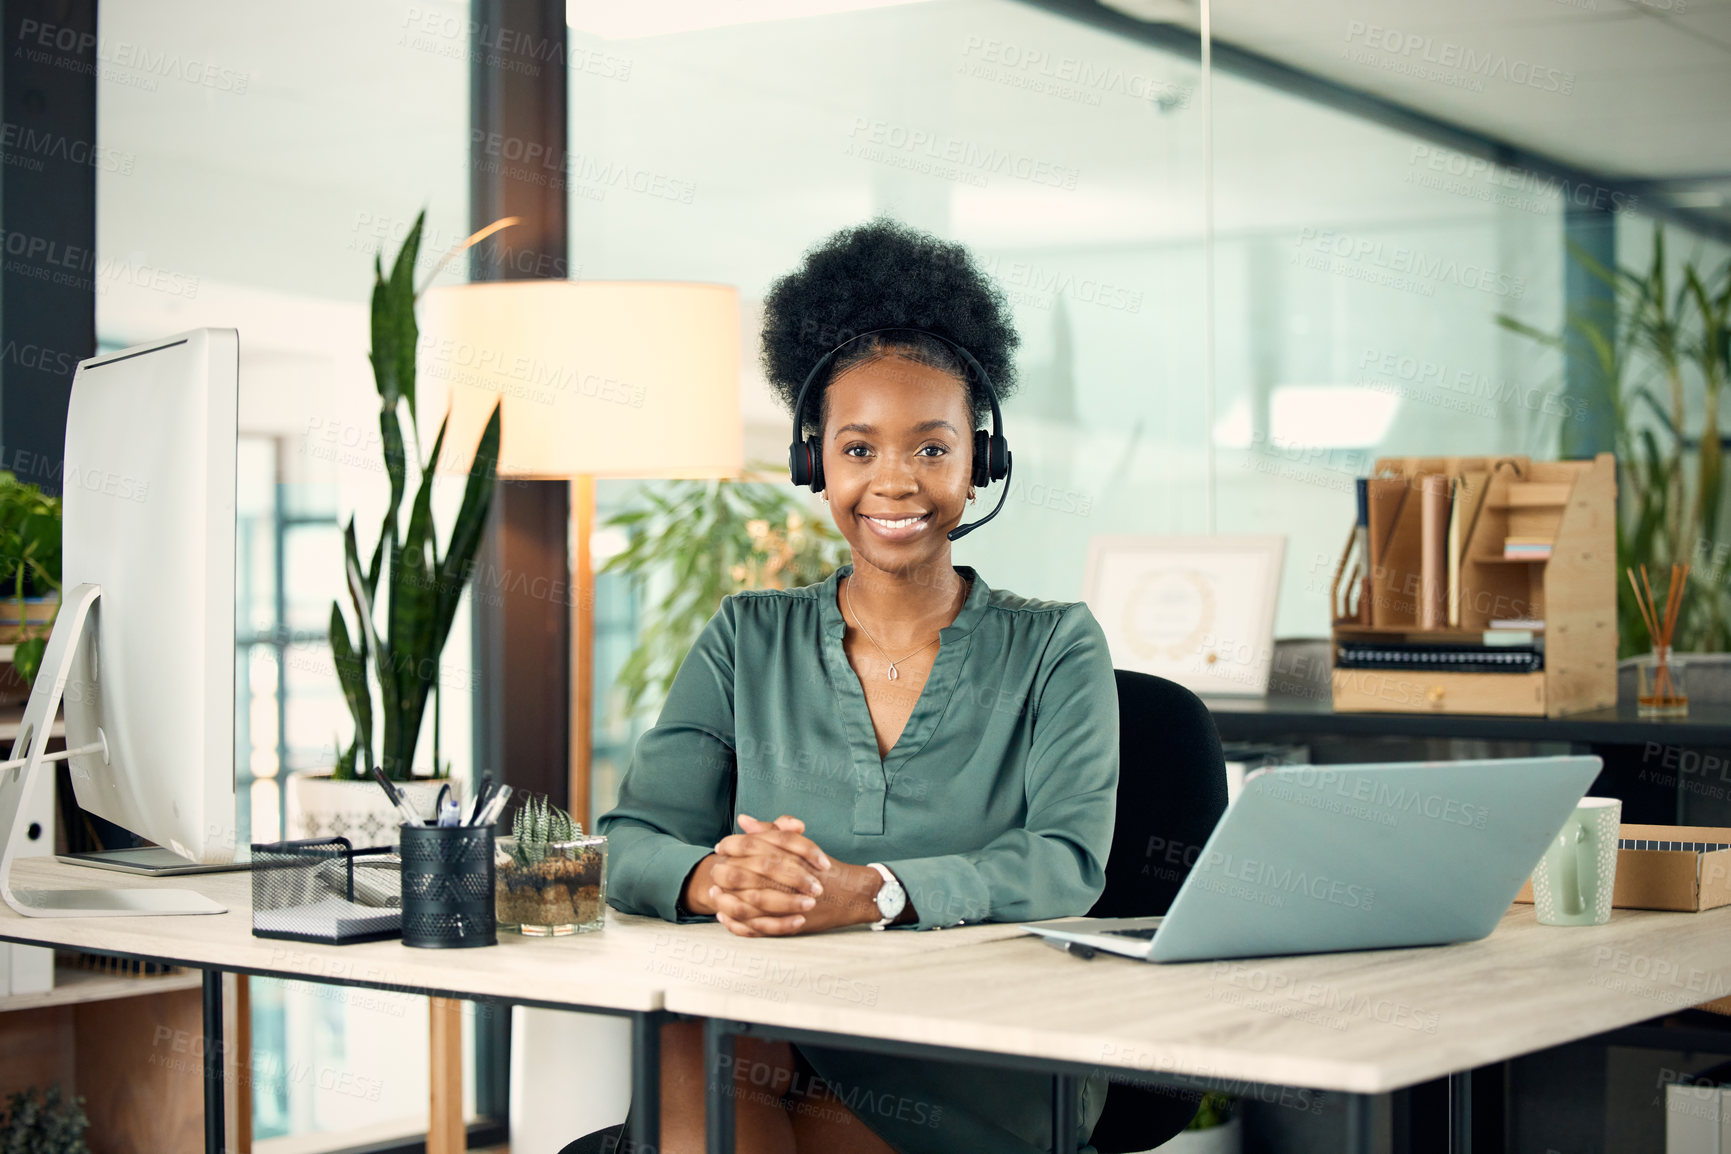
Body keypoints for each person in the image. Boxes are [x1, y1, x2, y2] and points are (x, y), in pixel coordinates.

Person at [597, 217, 1120, 1153]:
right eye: (858, 448)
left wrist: (871, 892)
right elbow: (634, 840)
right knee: (696, 1045)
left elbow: (1065, 865)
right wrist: (721, 882)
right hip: (775, 1013)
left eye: (930, 448)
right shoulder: (744, 638)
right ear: (814, 462)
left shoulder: (1055, 648)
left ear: (980, 461)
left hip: (973, 1048)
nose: (895, 483)